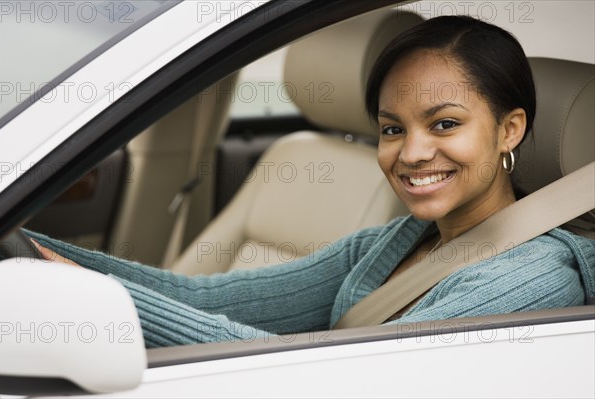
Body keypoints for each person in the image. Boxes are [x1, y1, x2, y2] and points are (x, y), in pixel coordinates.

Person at [30, 15, 594, 348]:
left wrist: (93, 300)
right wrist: (28, 251)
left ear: (509, 129)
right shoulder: (390, 243)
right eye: (392, 129)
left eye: (445, 124)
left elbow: (330, 380)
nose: (413, 153)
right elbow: (212, 300)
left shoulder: (535, 283)